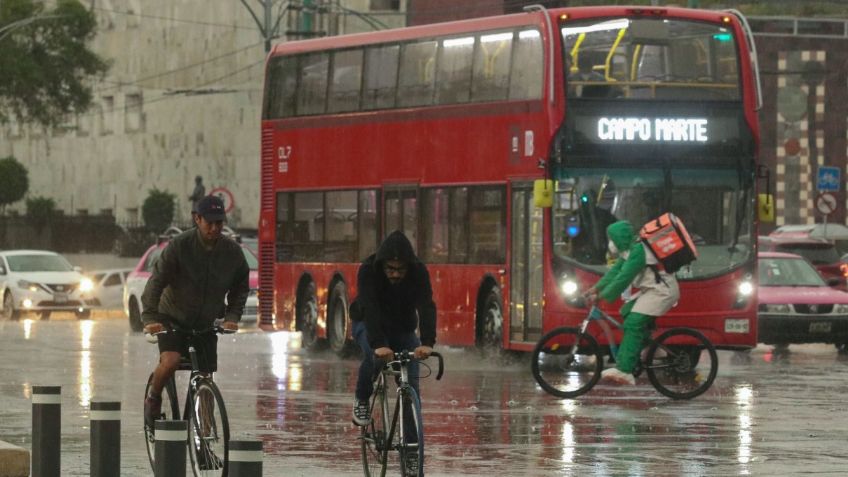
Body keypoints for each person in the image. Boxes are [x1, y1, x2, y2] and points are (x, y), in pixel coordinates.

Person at [142, 195, 250, 435]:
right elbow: (156, 282)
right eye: (209, 222)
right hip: (172, 316)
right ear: (197, 219)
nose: (214, 228)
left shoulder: (231, 252)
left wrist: (232, 314)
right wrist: (150, 319)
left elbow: (241, 286)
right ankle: (153, 397)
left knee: (205, 375)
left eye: (219, 223)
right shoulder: (180, 246)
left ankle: (206, 434)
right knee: (169, 361)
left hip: (205, 322)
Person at [350, 231, 436, 473]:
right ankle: (362, 399)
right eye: (390, 269)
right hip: (368, 323)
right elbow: (370, 306)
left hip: (403, 328)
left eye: (400, 269)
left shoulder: (419, 271)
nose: (395, 274)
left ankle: (411, 452)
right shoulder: (368, 270)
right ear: (382, 264)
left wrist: (427, 343)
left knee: (412, 390)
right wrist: (378, 343)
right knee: (372, 354)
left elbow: (427, 305)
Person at [584, 220, 679, 385]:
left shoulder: (638, 251)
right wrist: (595, 289)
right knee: (627, 312)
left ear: (620, 238)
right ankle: (642, 347)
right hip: (652, 291)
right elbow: (615, 271)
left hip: (661, 292)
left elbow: (624, 277)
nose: (611, 243)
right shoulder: (629, 251)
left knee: (633, 324)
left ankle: (625, 370)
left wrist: (602, 296)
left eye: (612, 239)